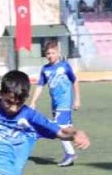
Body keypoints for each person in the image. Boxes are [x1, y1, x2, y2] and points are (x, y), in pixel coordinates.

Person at [29, 38, 82, 167]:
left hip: (64, 103)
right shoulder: (45, 69)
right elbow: (40, 85)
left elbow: (74, 80)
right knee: (64, 128)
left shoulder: (64, 66)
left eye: (53, 53)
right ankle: (72, 149)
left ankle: (70, 153)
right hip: (55, 104)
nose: (50, 56)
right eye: (48, 53)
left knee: (58, 127)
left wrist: (77, 99)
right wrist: (33, 102)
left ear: (58, 53)